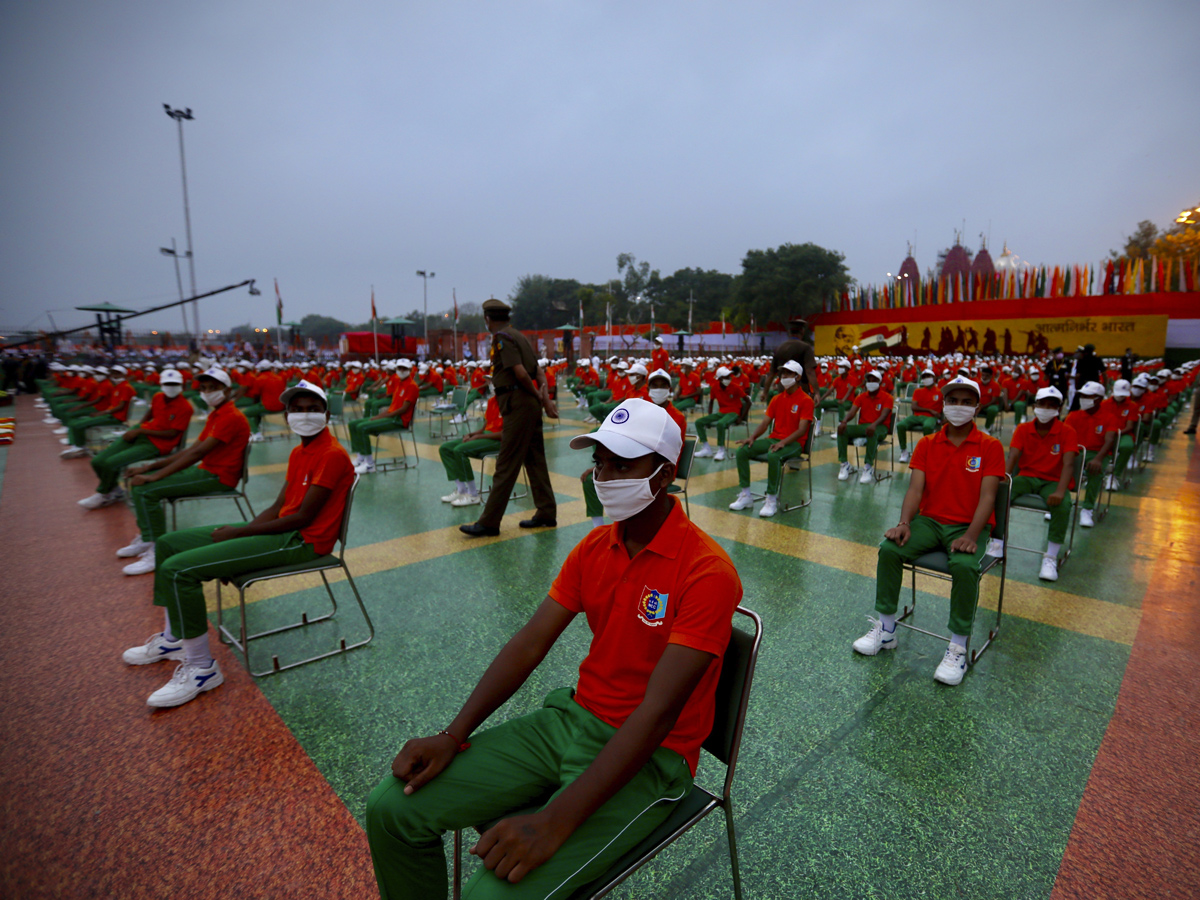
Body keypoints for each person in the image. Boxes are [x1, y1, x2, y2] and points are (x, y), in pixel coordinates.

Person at [365, 399, 742, 899]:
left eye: (622, 464)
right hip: (569, 720)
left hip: (653, 759)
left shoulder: (706, 572)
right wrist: (453, 734)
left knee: (488, 895)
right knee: (391, 810)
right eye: (599, 461)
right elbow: (529, 644)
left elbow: (656, 714)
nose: (604, 476)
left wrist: (555, 822)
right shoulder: (595, 548)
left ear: (665, 472)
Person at [120, 380, 354, 708]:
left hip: (301, 541)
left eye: (312, 409)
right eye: (297, 410)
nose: (304, 416)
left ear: (326, 415)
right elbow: (277, 508)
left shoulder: (331, 454)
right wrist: (246, 532)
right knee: (170, 544)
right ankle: (173, 638)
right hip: (279, 531)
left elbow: (302, 518)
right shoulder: (300, 451)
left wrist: (239, 536)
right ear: (286, 415)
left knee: (179, 570)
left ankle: (202, 668)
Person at [851, 376, 1005, 686]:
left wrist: (972, 536)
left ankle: (957, 646)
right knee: (890, 549)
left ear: (977, 406)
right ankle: (887, 629)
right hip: (930, 522)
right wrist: (904, 523)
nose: (958, 407)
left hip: (967, 526)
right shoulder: (927, 443)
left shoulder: (990, 446)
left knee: (963, 566)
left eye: (966, 401)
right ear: (943, 405)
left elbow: (989, 497)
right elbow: (915, 489)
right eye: (953, 401)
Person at [118, 367, 252, 576]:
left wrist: (154, 476)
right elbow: (192, 450)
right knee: (141, 485)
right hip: (206, 470)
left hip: (218, 477)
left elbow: (196, 453)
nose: (207, 392)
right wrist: (150, 466)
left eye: (213, 388)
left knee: (146, 490)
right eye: (204, 388)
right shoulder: (217, 414)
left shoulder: (230, 417)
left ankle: (156, 549)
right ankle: (148, 537)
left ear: (227, 390)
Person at [460, 298, 558, 537]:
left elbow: (521, 372)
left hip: (518, 404)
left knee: (506, 463)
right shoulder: (520, 336)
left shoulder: (502, 338)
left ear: (488, 318)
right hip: (527, 405)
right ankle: (546, 512)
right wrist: (544, 401)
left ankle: (489, 522)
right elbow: (539, 371)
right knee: (535, 460)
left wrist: (537, 396)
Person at [580, 369, 685, 528]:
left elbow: (666, 455)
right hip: (634, 461)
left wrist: (620, 466)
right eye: (654, 385)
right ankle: (598, 525)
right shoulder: (641, 412)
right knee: (590, 479)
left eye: (662, 386)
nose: (658, 389)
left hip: (657, 467)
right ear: (648, 389)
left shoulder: (674, 418)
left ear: (669, 389)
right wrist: (602, 466)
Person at [78, 368, 193, 510]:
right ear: (162, 385)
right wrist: (137, 428)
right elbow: (150, 413)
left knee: (110, 463)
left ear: (181, 385)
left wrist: (140, 430)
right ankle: (114, 490)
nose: (171, 387)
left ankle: (104, 493)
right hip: (141, 434)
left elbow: (172, 434)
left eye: (174, 384)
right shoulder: (158, 396)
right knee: (98, 461)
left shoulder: (185, 407)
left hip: (157, 444)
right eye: (168, 384)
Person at [1005, 386, 1078, 582]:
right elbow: (1013, 455)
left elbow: (1069, 464)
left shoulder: (1067, 431)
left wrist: (1061, 491)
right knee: (1000, 494)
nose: (1046, 408)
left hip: (1053, 481)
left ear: (1059, 408)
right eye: (1042, 404)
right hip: (1027, 477)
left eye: (1051, 405)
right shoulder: (1023, 429)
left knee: (1063, 505)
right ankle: (996, 540)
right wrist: (1003, 478)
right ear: (1035, 405)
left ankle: (1051, 556)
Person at [728, 360, 813, 517]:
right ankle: (746, 495)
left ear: (798, 377)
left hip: (794, 444)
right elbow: (765, 423)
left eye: (788, 373)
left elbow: (802, 430)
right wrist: (752, 437)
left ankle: (772, 499)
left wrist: (783, 442)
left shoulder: (806, 400)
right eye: (783, 373)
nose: (784, 376)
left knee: (774, 455)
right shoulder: (776, 398)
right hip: (774, 439)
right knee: (742, 451)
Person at [439, 380, 502, 507]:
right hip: (486, 436)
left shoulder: (510, 403)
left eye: (493, 382)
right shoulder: (492, 401)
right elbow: (486, 426)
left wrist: (480, 436)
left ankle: (473, 495)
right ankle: (462, 490)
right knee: (445, 448)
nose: (491, 385)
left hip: (498, 441)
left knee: (460, 450)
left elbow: (506, 434)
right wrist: (473, 434)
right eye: (490, 383)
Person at [349, 360, 419, 474]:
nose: (401, 371)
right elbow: (393, 405)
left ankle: (369, 465)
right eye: (399, 368)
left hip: (399, 420)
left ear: (410, 370)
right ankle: (360, 458)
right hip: (390, 416)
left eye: (404, 369)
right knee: (353, 424)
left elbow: (403, 409)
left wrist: (379, 417)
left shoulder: (412, 386)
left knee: (362, 427)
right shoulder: (399, 383)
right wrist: (381, 415)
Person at [1064, 381, 1117, 528]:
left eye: (1088, 396)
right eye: (1082, 395)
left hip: (1097, 452)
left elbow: (1110, 440)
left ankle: (1087, 509)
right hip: (1076, 450)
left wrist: (1099, 459)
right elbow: (1064, 437)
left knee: (1095, 472)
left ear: (1099, 399)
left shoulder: (1109, 417)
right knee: (1061, 465)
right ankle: (1061, 501)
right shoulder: (1073, 416)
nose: (1083, 398)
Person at [836, 369, 894, 484]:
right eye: (869, 380)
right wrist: (844, 421)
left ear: (880, 382)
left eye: (874, 380)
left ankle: (868, 467)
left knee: (873, 432)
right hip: (864, 426)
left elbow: (884, 415)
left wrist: (874, 425)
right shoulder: (861, 396)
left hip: (880, 427)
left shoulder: (887, 397)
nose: (871, 382)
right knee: (842, 430)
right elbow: (852, 412)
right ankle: (844, 464)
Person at [692, 366, 747, 461]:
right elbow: (711, 402)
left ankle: (721, 450)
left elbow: (748, 402)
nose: (729, 379)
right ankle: (706, 448)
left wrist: (741, 417)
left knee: (721, 424)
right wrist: (709, 416)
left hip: (733, 412)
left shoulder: (735, 387)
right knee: (699, 422)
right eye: (726, 377)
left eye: (729, 376)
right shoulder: (715, 387)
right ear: (720, 379)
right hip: (721, 412)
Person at [761, 317, 818, 396]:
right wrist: (817, 392)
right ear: (802, 331)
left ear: (789, 332)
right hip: (799, 388)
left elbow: (771, 374)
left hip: (782, 388)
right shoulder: (805, 347)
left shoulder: (779, 348)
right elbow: (810, 372)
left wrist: (765, 392)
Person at [896, 369, 942, 464]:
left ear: (934, 378)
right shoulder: (918, 391)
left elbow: (945, 407)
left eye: (928, 376)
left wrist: (941, 418)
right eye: (924, 377)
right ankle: (904, 451)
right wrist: (929, 410)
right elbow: (913, 407)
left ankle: (927, 451)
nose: (926, 379)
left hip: (931, 418)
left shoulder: (940, 392)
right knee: (900, 425)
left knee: (928, 427)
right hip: (916, 416)